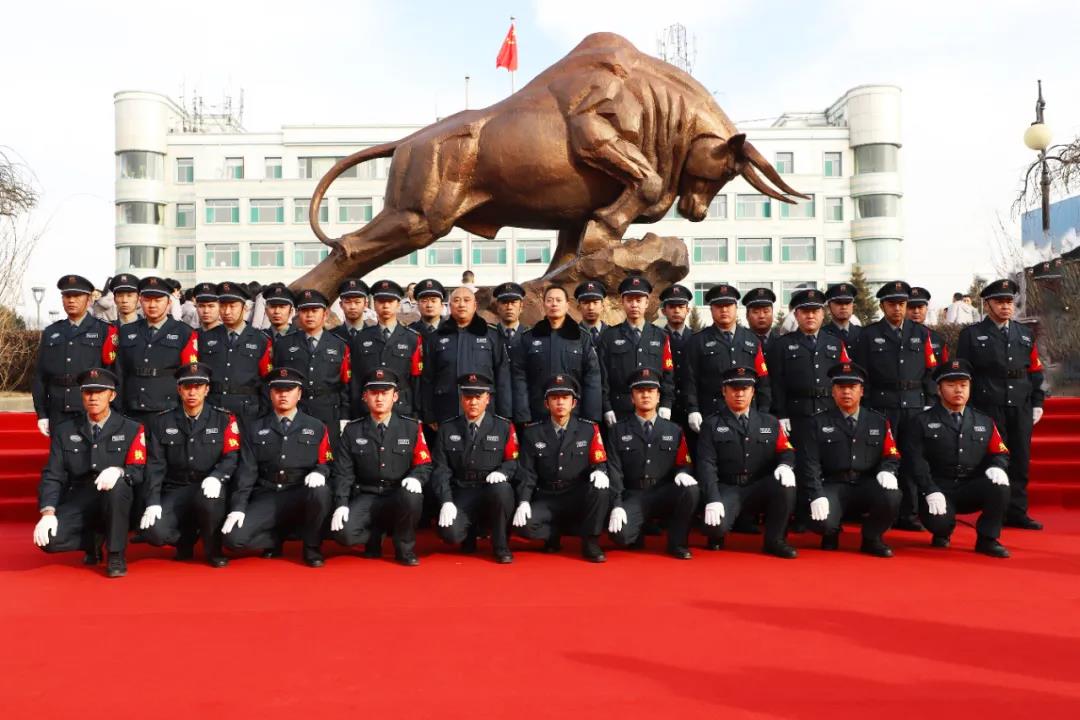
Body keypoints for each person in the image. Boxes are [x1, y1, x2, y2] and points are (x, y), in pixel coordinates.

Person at [33, 368, 146, 578]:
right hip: (80, 496)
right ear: (82, 395)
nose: (93, 397)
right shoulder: (65, 430)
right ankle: (93, 539)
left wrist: (120, 471)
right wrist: (47, 513)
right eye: (88, 392)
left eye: (100, 392)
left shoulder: (131, 429)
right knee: (48, 540)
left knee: (118, 487)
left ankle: (115, 553)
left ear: (112, 395)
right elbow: (53, 474)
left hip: (116, 498)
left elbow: (138, 471)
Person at [222, 367, 334, 567]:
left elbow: (327, 462)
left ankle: (311, 547)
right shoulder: (254, 428)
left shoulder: (317, 426)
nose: (283, 394)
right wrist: (238, 507)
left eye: (289, 390)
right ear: (270, 393)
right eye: (278, 390)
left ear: (299, 394)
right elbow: (247, 471)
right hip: (268, 493)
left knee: (321, 492)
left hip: (300, 492)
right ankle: (276, 537)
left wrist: (320, 472)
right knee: (233, 539)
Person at [956, 279, 1045, 530]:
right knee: (993, 460)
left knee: (1020, 459)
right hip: (988, 405)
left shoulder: (1025, 334)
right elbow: (964, 374)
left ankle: (1017, 511)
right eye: (1000, 301)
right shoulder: (971, 335)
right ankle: (995, 511)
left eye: (1009, 301)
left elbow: (1035, 371)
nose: (1006, 306)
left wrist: (1038, 401)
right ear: (987, 304)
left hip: (1020, 405)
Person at [903, 359, 1012, 557]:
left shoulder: (984, 421)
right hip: (938, 488)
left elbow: (1000, 452)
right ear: (939, 389)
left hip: (970, 487)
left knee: (1000, 486)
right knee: (940, 523)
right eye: (951, 385)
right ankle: (942, 532)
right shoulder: (921, 421)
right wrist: (929, 489)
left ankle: (988, 539)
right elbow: (915, 460)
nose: (958, 390)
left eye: (963, 385)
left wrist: (997, 465)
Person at [852, 280, 937, 532]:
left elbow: (930, 372)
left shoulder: (921, 334)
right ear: (882, 305)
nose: (898, 309)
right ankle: (881, 513)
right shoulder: (868, 335)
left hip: (913, 405)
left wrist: (929, 402)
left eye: (902, 304)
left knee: (912, 459)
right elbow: (861, 374)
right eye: (892, 304)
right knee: (881, 460)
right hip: (882, 405)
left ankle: (909, 515)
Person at [797, 362, 901, 557]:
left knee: (892, 495)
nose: (846, 392)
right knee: (822, 521)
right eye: (841, 387)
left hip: (866, 483)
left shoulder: (878, 421)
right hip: (833, 484)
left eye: (852, 387)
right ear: (833, 392)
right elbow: (809, 464)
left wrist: (888, 470)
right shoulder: (816, 422)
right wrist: (816, 493)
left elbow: (891, 453)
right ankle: (831, 531)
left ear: (861, 391)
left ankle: (872, 538)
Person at [330, 368, 433, 566]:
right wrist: (341, 503)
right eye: (374, 393)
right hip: (367, 495)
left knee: (412, 496)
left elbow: (425, 464)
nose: (379, 398)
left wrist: (416, 478)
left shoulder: (411, 428)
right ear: (364, 397)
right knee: (343, 534)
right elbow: (344, 472)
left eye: (385, 393)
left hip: (397, 494)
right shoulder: (352, 430)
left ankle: (404, 548)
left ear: (395, 396)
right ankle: (373, 537)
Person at [140, 363, 238, 567]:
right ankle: (185, 539)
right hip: (177, 487)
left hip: (208, 485)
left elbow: (231, 457)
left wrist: (217, 477)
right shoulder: (161, 421)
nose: (192, 392)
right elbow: (155, 465)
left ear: (207, 389)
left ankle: (213, 549)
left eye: (198, 386)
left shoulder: (224, 419)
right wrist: (153, 501)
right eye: (187, 387)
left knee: (210, 500)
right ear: (179, 389)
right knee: (154, 532)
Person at [695, 365, 798, 559]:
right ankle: (717, 534)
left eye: (744, 389)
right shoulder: (711, 424)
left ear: (752, 392)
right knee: (714, 527)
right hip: (728, 487)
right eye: (734, 389)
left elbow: (786, 450)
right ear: (724, 392)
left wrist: (785, 465)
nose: (739, 394)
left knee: (786, 485)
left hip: (758, 486)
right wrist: (713, 498)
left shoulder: (770, 422)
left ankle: (775, 541)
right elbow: (706, 465)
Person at [513, 374, 611, 562]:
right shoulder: (532, 432)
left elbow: (598, 461)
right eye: (555, 398)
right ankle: (553, 534)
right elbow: (527, 472)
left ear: (573, 403)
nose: (560, 402)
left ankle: (590, 543)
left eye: (565, 398)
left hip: (576, 494)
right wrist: (524, 500)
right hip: (547, 496)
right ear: (546, 403)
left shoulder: (588, 430)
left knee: (601, 490)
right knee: (524, 525)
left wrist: (600, 471)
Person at [605, 367, 699, 559]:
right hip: (634, 495)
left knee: (691, 490)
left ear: (658, 397)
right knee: (620, 535)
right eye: (640, 391)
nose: (645, 395)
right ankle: (636, 532)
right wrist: (616, 504)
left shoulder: (674, 430)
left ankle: (677, 542)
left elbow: (684, 462)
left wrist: (683, 472)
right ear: (632, 398)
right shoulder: (618, 430)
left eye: (651, 391)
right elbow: (613, 470)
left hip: (663, 492)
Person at [431, 373, 519, 563]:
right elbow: (441, 469)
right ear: (461, 399)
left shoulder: (503, 426)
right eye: (468, 397)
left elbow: (513, 461)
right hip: (462, 489)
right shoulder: (447, 428)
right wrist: (446, 501)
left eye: (478, 397)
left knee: (502, 489)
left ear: (487, 399)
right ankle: (468, 535)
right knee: (450, 533)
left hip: (490, 489)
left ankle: (501, 545)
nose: (473, 402)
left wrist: (502, 472)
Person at [32, 274, 120, 438]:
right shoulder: (51, 332)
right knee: (59, 459)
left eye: (77, 296)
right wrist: (42, 413)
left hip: (90, 408)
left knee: (91, 461)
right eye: (67, 296)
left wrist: (113, 409)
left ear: (89, 300)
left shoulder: (104, 330)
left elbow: (114, 373)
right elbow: (40, 376)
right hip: (57, 408)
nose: (71, 300)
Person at [684, 284, 770, 434]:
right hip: (712, 412)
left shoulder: (752, 340)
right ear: (711, 310)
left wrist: (763, 411)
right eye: (718, 306)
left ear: (736, 308)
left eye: (728, 305)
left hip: (748, 414)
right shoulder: (697, 341)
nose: (724, 310)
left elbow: (762, 380)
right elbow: (689, 379)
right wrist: (693, 409)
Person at [114, 276, 199, 427]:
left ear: (169, 303)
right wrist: (118, 406)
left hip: (168, 409)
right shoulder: (126, 331)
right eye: (147, 300)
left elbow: (188, 375)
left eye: (158, 300)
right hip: (132, 408)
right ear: (141, 301)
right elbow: (119, 372)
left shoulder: (184, 332)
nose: (152, 305)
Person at [421, 286, 512, 426]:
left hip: (486, 412)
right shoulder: (436, 338)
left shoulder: (491, 335)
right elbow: (428, 379)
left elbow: (503, 377)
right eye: (456, 300)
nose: (462, 304)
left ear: (475, 305)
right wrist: (429, 415)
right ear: (450, 306)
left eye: (466, 300)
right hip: (446, 412)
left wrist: (504, 415)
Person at [512, 284, 602, 423]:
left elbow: (592, 378)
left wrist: (591, 417)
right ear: (543, 305)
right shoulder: (528, 338)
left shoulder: (581, 338)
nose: (554, 304)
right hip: (538, 415)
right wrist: (523, 416)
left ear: (567, 305)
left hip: (575, 416)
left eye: (559, 300)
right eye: (550, 300)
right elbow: (519, 378)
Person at [596, 275, 675, 425]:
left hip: (653, 409)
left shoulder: (661, 336)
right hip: (620, 409)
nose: (634, 305)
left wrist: (666, 403)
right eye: (629, 300)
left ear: (647, 303)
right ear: (622, 303)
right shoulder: (609, 336)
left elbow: (668, 373)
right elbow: (602, 376)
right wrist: (606, 407)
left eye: (639, 300)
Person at [272, 289, 351, 435]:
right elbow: (274, 382)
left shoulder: (339, 345)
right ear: (297, 313)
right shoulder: (283, 344)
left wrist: (344, 417)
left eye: (314, 310)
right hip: (295, 411)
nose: (309, 315)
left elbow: (345, 384)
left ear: (325, 314)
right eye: (304, 310)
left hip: (328, 411)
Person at [349, 279, 423, 419]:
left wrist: (417, 413)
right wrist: (355, 410)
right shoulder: (361, 338)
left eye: (390, 301)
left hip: (402, 409)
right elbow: (356, 380)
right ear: (374, 304)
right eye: (381, 301)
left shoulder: (412, 338)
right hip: (368, 410)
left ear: (398, 304)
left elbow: (416, 380)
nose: (386, 306)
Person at [201, 282, 273, 423]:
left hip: (247, 412)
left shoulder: (261, 340)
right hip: (213, 409)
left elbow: (267, 381)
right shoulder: (205, 337)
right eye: (223, 306)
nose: (227, 312)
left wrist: (264, 415)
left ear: (244, 308)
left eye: (232, 306)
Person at [659, 283, 694, 429]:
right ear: (663, 311)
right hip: (663, 408)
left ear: (688, 310)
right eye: (672, 307)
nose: (676, 311)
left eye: (681, 307)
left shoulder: (697, 339)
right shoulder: (655, 338)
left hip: (692, 409)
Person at [908, 286, 949, 363]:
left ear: (926, 309)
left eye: (920, 307)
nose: (916, 311)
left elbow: (944, 366)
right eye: (911, 307)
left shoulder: (937, 337)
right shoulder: (897, 337)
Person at [494, 281, 528, 371]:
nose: (509, 307)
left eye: (513, 302)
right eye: (505, 302)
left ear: (521, 307)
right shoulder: (490, 336)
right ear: (498, 307)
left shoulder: (530, 336)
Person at [331, 279, 372, 343]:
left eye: (357, 302)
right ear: (341, 305)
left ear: (365, 305)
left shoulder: (375, 335)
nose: (353, 307)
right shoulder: (331, 336)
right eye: (348, 302)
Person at [822, 283, 862, 348]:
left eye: (847, 303)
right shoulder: (821, 335)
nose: (844, 307)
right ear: (829, 307)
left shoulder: (863, 334)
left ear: (853, 306)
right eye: (838, 303)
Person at [574, 280, 609, 345]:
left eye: (595, 302)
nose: (591, 307)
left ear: (602, 306)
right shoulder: (570, 336)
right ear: (579, 307)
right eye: (586, 303)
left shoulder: (614, 334)